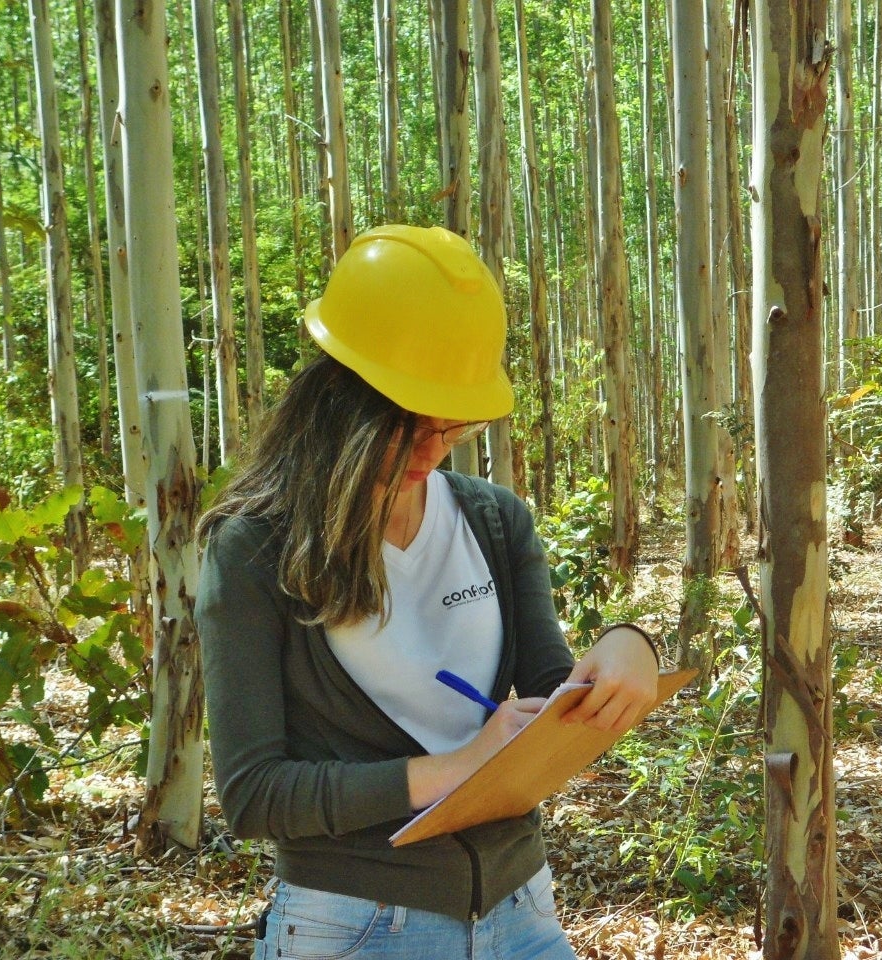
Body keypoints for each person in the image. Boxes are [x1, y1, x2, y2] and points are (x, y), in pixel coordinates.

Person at [197, 224, 661, 960]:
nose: (433, 449)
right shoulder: (255, 550)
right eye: (409, 423)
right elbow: (255, 794)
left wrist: (628, 645)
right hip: (354, 926)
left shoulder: (493, 519)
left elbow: (552, 691)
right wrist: (453, 770)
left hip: (522, 911)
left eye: (451, 426)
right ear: (340, 401)